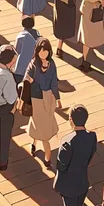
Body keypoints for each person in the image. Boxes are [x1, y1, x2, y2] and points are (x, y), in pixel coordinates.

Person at [54, 105, 97, 206]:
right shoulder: (92, 136)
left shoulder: (67, 141)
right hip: (82, 180)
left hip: (69, 184)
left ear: (71, 120)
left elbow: (61, 165)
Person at [21, 38, 61, 169]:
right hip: (37, 98)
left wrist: (58, 98)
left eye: (46, 51)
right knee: (40, 126)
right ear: (37, 51)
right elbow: (26, 78)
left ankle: (34, 143)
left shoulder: (52, 64)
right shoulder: (33, 64)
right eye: (41, 50)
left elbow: (54, 81)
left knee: (43, 123)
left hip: (49, 98)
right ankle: (47, 158)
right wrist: (30, 80)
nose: (43, 53)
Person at [0, 45, 18, 171]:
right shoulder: (7, 77)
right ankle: (3, 162)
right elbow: (10, 97)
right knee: (5, 135)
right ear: (10, 61)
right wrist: (14, 107)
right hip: (5, 108)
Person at [13, 16, 40, 84]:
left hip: (21, 68)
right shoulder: (37, 33)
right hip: (33, 66)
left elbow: (16, 51)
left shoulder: (21, 35)